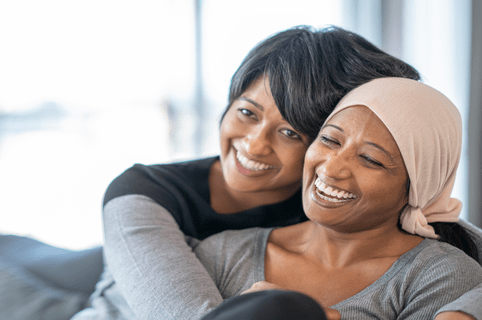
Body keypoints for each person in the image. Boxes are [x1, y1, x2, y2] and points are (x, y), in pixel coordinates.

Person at [69, 26, 422, 320]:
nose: (254, 146)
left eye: (290, 133)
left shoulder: (333, 201)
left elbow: (455, 244)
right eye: (247, 113)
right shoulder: (141, 193)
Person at [193, 77, 482, 320]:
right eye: (330, 140)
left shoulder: (441, 276)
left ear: (417, 187)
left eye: (370, 159)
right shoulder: (224, 254)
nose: (330, 168)